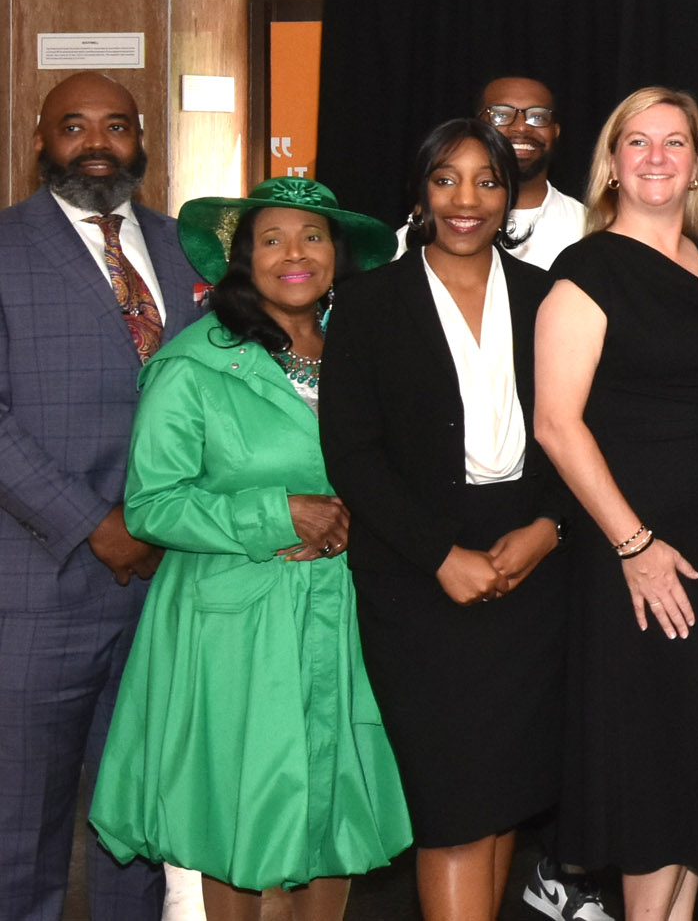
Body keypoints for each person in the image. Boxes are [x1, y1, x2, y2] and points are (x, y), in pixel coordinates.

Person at [88, 175, 404, 921]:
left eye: (312, 237)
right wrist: (278, 514)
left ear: (338, 255)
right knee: (240, 814)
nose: (294, 254)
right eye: (271, 239)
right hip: (232, 626)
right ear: (241, 259)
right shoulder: (193, 363)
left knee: (335, 810)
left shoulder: (369, 355)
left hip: (348, 616)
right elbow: (152, 503)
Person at [321, 119, 574, 920]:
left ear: (510, 196)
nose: (466, 200)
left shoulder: (550, 297)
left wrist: (550, 530)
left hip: (535, 573)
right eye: (446, 179)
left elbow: (589, 430)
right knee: (454, 807)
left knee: (501, 800)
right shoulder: (366, 304)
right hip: (415, 579)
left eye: (487, 181)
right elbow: (352, 457)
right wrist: (439, 555)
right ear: (420, 193)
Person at [534, 87, 698, 919]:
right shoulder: (588, 270)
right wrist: (636, 547)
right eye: (639, 142)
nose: (659, 157)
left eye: (676, 142)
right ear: (610, 163)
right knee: (656, 777)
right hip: (639, 557)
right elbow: (557, 425)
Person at [0, 73, 199, 921]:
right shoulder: (4, 248)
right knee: (23, 832)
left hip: (174, 589)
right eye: (72, 126)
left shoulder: (188, 247)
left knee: (141, 824)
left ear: (141, 139)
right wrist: (94, 525)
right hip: (42, 588)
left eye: (115, 126)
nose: (96, 143)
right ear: (39, 142)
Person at [475, 76, 587, 266]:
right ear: (476, 126)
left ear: (556, 131)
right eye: (501, 115)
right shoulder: (441, 225)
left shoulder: (588, 228)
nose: (521, 127)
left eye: (538, 117)